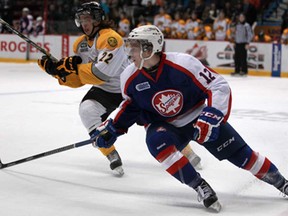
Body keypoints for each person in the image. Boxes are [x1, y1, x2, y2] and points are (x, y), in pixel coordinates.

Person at [90, 25, 288, 212]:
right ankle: (199, 186)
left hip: (197, 116)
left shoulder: (183, 63)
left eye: (134, 48)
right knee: (157, 143)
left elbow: (218, 86)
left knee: (243, 156)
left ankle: (281, 182)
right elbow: (131, 106)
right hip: (164, 125)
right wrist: (114, 128)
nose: (129, 53)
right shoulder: (129, 76)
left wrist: (212, 115)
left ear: (149, 48)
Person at [38, 2, 201, 175]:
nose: (84, 23)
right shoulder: (80, 45)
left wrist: (73, 68)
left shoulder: (111, 38)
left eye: (88, 18)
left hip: (129, 87)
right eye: (81, 19)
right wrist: (57, 72)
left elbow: (100, 73)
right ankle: (110, 152)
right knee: (86, 110)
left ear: (97, 18)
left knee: (153, 118)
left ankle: (184, 148)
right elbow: (79, 80)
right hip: (105, 90)